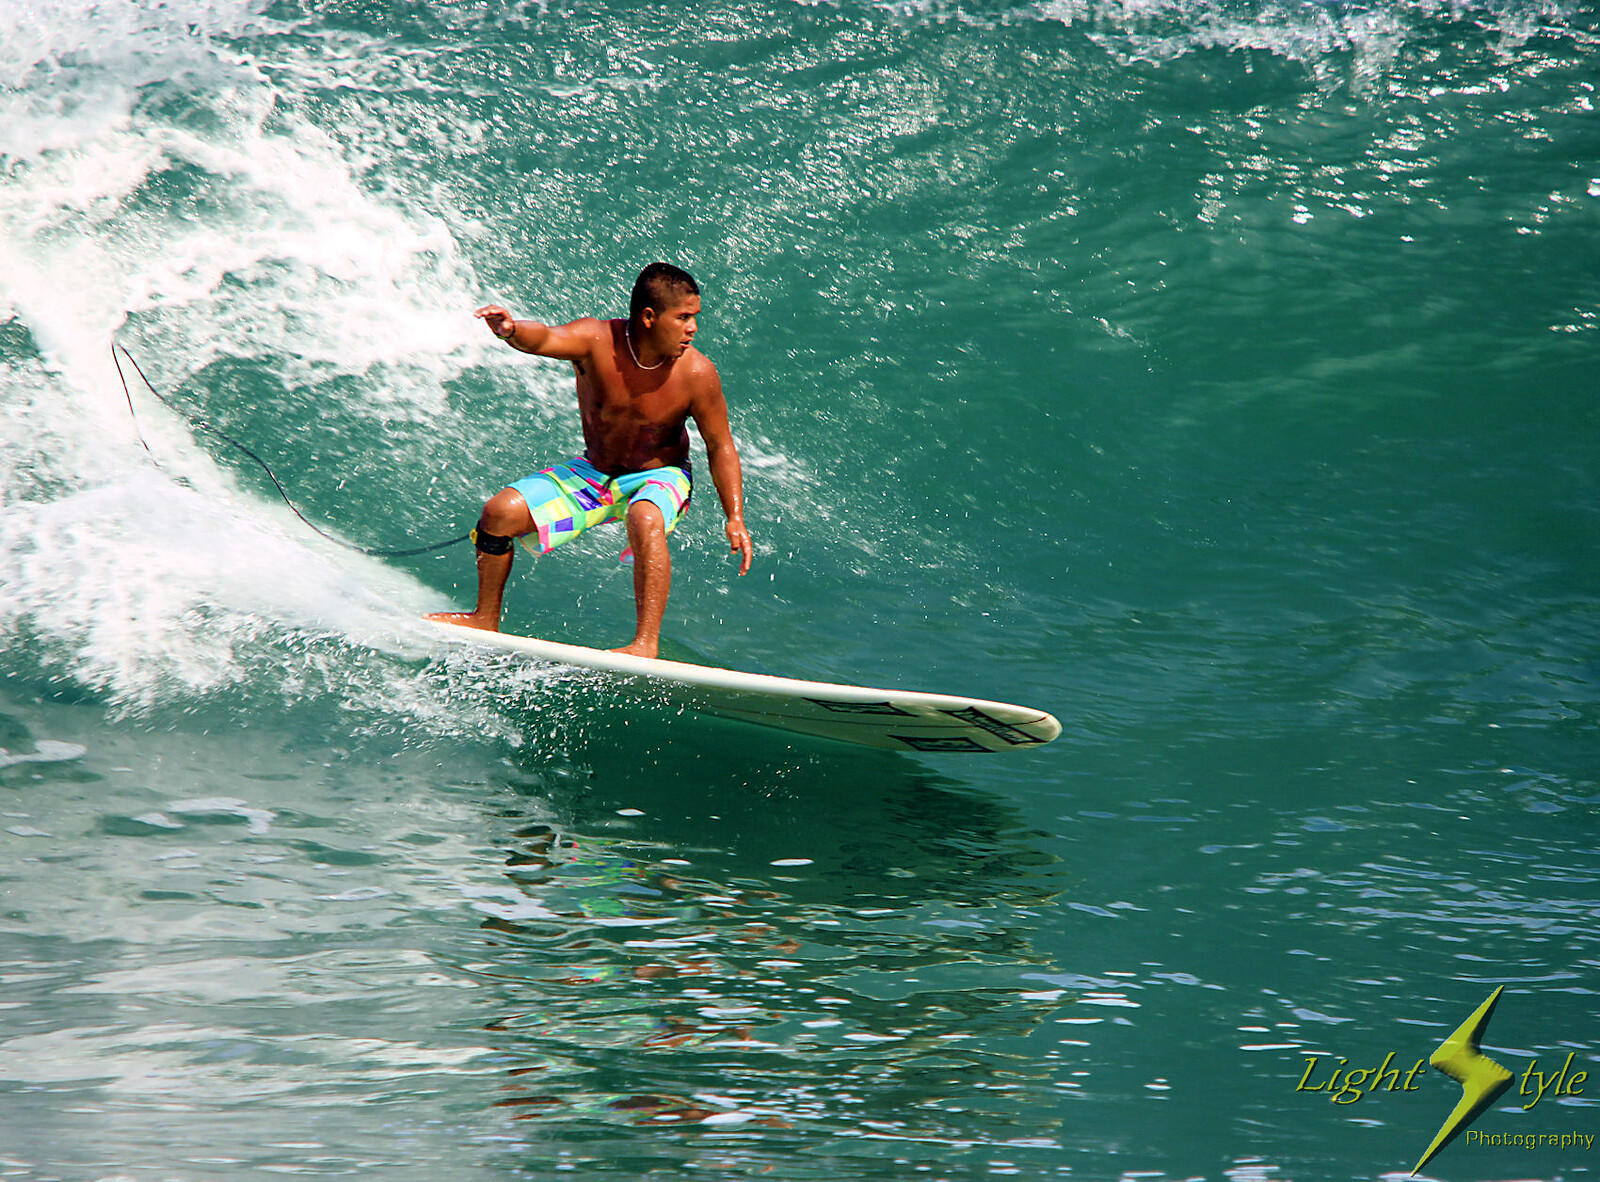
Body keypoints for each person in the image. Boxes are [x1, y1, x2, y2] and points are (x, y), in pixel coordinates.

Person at [426, 263, 753, 658]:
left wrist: (733, 515)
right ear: (649, 318)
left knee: (645, 516)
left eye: (694, 318)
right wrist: (512, 330)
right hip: (595, 472)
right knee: (498, 514)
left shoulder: (697, 373)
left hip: (661, 476)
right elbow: (546, 338)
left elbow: (721, 446)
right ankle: (484, 617)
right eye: (683, 317)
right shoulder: (597, 341)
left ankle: (644, 645)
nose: (693, 328)